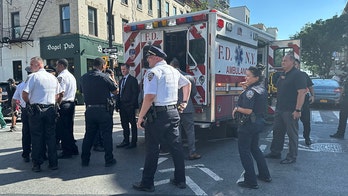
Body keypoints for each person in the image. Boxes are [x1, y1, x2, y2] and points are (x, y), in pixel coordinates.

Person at [132, 45, 191, 192]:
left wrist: (140, 116)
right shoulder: (173, 71)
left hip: (158, 116)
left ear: (156, 57)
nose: (148, 60)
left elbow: (150, 97)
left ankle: (147, 183)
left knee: (152, 149)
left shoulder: (153, 73)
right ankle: (180, 179)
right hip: (173, 113)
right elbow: (188, 84)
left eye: (149, 57)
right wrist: (184, 102)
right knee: (176, 147)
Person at [232, 66, 271, 189]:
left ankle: (251, 181)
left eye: (248, 76)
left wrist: (237, 108)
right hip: (258, 123)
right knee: (255, 148)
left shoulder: (251, 91)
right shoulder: (261, 88)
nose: (246, 78)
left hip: (248, 124)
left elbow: (248, 110)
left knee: (244, 152)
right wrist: (246, 88)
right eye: (246, 75)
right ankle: (265, 175)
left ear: (256, 77)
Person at [264, 54, 307, 164]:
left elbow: (301, 93)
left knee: (292, 134)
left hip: (290, 110)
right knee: (277, 132)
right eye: (282, 60)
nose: (283, 62)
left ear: (292, 62)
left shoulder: (298, 75)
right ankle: (275, 152)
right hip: (280, 109)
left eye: (285, 61)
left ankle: (292, 156)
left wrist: (298, 110)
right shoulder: (283, 74)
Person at [22, 56, 63, 172]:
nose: (30, 67)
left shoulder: (33, 77)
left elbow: (25, 94)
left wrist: (30, 103)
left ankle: (37, 163)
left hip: (37, 110)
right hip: (50, 109)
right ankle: (53, 163)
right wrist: (53, 102)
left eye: (32, 65)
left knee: (36, 137)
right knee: (51, 137)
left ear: (39, 65)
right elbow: (59, 94)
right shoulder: (52, 77)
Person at [79, 57, 118, 167]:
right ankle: (109, 159)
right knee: (106, 135)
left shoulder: (84, 77)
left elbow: (81, 92)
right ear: (103, 66)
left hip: (90, 109)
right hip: (103, 110)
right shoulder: (105, 77)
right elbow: (115, 91)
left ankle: (85, 160)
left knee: (89, 135)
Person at [170, 58, 201, 160]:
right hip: (186, 107)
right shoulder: (189, 77)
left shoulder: (169, 78)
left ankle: (177, 153)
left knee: (176, 131)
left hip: (173, 108)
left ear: (172, 66)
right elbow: (194, 93)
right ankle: (192, 152)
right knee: (190, 131)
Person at [55, 59, 79, 159]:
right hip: (71, 104)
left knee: (63, 129)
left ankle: (67, 151)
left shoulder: (61, 77)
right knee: (69, 128)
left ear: (61, 65)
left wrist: (57, 104)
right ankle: (73, 148)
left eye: (57, 65)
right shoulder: (71, 76)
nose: (56, 68)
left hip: (64, 104)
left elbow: (61, 93)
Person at [116, 64, 139, 149]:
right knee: (124, 124)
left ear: (128, 69)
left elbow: (135, 93)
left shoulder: (133, 80)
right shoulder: (121, 80)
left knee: (132, 124)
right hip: (122, 106)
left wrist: (132, 104)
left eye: (124, 69)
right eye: (122, 70)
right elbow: (119, 93)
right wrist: (117, 105)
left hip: (130, 106)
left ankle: (133, 142)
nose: (123, 71)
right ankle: (125, 140)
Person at [12, 66, 33, 162]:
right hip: (35, 110)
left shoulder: (21, 85)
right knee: (37, 133)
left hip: (25, 110)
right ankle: (39, 153)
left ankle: (26, 154)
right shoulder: (35, 84)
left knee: (26, 133)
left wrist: (14, 110)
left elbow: (14, 99)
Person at [294, 59, 314, 145]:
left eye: (296, 64)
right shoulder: (286, 75)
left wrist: (313, 95)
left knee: (306, 121)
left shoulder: (303, 75)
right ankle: (293, 139)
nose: (294, 65)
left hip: (304, 101)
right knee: (292, 123)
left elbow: (310, 86)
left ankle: (307, 138)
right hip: (292, 101)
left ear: (298, 65)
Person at [330, 74, 348, 139]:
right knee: (343, 117)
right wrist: (339, 99)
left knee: (343, 117)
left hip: (346, 99)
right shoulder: (346, 78)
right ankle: (340, 133)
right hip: (345, 99)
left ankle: (340, 133)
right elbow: (343, 89)